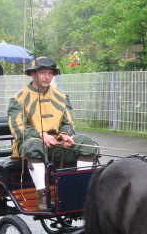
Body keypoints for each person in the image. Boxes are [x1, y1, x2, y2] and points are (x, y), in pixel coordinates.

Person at [7, 57, 99, 210]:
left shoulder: (61, 96)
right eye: (43, 73)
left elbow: (68, 122)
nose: (47, 77)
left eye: (50, 73)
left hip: (57, 143)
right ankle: (42, 195)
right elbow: (18, 127)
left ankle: (81, 189)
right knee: (33, 145)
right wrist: (42, 135)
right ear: (33, 74)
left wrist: (65, 135)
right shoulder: (19, 98)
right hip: (31, 143)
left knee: (87, 143)